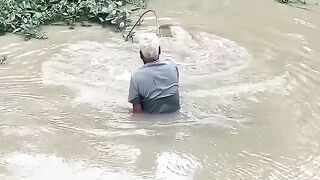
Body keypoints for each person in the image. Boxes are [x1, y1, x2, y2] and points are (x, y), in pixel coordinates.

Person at [128, 33, 180, 114]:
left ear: (140, 54)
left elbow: (137, 114)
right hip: (175, 113)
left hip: (152, 118)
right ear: (159, 50)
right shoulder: (172, 65)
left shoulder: (136, 77)